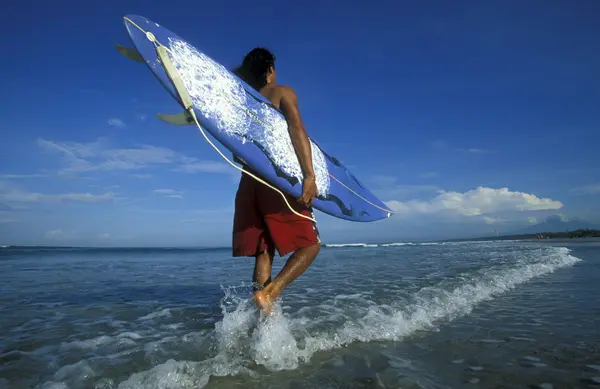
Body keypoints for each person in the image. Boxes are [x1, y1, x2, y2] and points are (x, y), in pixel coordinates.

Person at [231, 48, 321, 314]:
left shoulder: (241, 101)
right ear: (270, 70)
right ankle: (271, 292)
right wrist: (309, 175)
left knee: (263, 250)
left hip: (248, 181)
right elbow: (298, 131)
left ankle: (264, 326)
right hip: (276, 179)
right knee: (310, 245)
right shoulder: (282, 92)